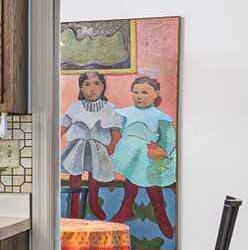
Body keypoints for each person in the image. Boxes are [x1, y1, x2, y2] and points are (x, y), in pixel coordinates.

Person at [111, 73, 177, 240]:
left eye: (145, 92)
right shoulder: (125, 113)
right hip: (128, 154)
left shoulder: (159, 116)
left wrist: (163, 151)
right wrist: (112, 146)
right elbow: (116, 131)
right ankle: (126, 207)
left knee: (147, 170)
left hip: (150, 154)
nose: (139, 96)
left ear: (156, 94)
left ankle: (159, 211)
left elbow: (168, 137)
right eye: (136, 92)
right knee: (134, 165)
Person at [59, 70, 122, 218]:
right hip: (78, 147)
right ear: (81, 88)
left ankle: (93, 201)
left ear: (103, 87)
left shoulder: (109, 108)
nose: (91, 88)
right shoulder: (76, 107)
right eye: (86, 84)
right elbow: (64, 125)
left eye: (96, 84)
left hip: (98, 148)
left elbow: (116, 130)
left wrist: (112, 144)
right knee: (75, 174)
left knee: (95, 173)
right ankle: (74, 202)